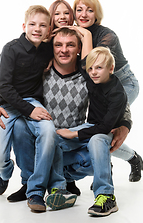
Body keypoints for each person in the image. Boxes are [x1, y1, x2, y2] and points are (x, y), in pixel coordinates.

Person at [0, 28, 133, 203]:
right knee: (19, 125)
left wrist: (125, 123)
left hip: (69, 143)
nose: (64, 50)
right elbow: (4, 88)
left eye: (70, 45)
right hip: (38, 144)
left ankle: (60, 181)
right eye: (58, 45)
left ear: (79, 48)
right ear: (51, 48)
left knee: (96, 154)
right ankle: (32, 181)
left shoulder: (90, 74)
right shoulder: (40, 71)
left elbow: (115, 97)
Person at [0, 5, 76, 212]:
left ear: (48, 30)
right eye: (33, 24)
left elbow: (63, 40)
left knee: (48, 131)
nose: (37, 29)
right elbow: (4, 87)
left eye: (43, 26)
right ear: (24, 26)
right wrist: (25, 110)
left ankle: (35, 191)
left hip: (33, 102)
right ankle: (4, 173)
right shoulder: (11, 49)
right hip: (7, 105)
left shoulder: (47, 48)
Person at [72, 0, 143, 181]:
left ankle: (116, 164)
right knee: (101, 131)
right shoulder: (75, 34)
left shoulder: (107, 36)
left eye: (89, 10)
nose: (84, 14)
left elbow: (89, 67)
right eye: (79, 9)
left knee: (104, 131)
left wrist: (87, 35)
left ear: (97, 14)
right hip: (98, 89)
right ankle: (128, 159)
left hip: (123, 84)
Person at [55, 46, 128, 216]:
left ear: (111, 68)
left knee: (96, 140)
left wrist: (74, 134)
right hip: (90, 125)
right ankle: (59, 185)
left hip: (106, 130)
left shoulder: (117, 93)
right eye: (91, 68)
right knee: (55, 140)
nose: (93, 72)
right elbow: (80, 63)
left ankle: (106, 195)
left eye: (99, 68)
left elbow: (104, 127)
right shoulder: (91, 78)